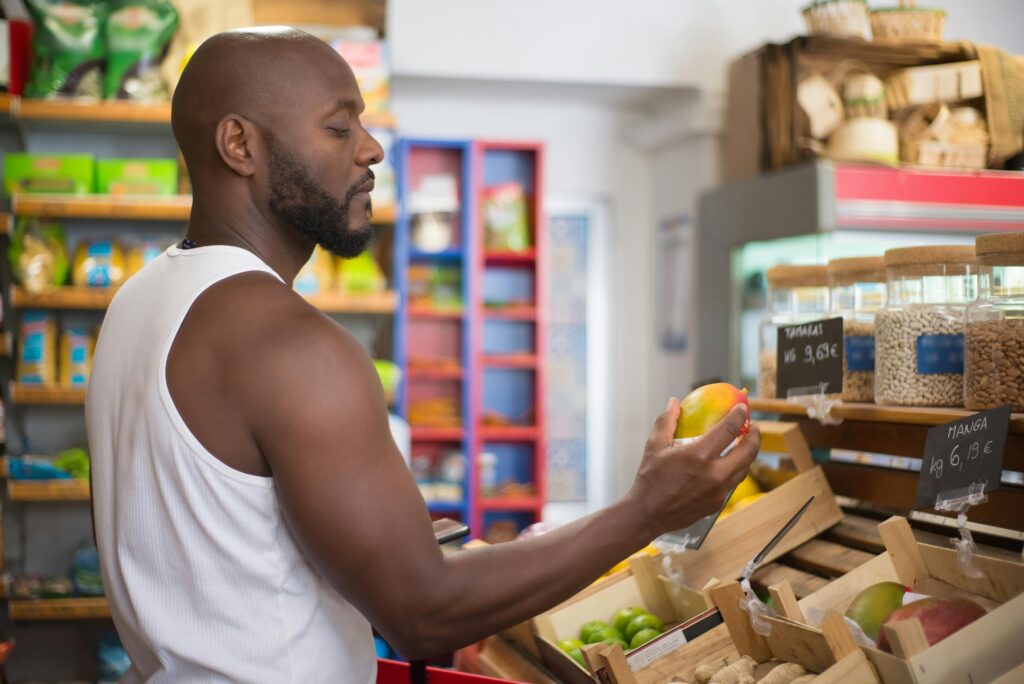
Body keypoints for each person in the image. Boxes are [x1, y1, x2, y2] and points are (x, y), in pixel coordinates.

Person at [86, 27, 761, 683]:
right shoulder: (289, 345)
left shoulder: (140, 302)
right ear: (240, 144)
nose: (372, 149)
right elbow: (423, 613)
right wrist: (646, 511)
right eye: (339, 126)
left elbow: (223, 546)